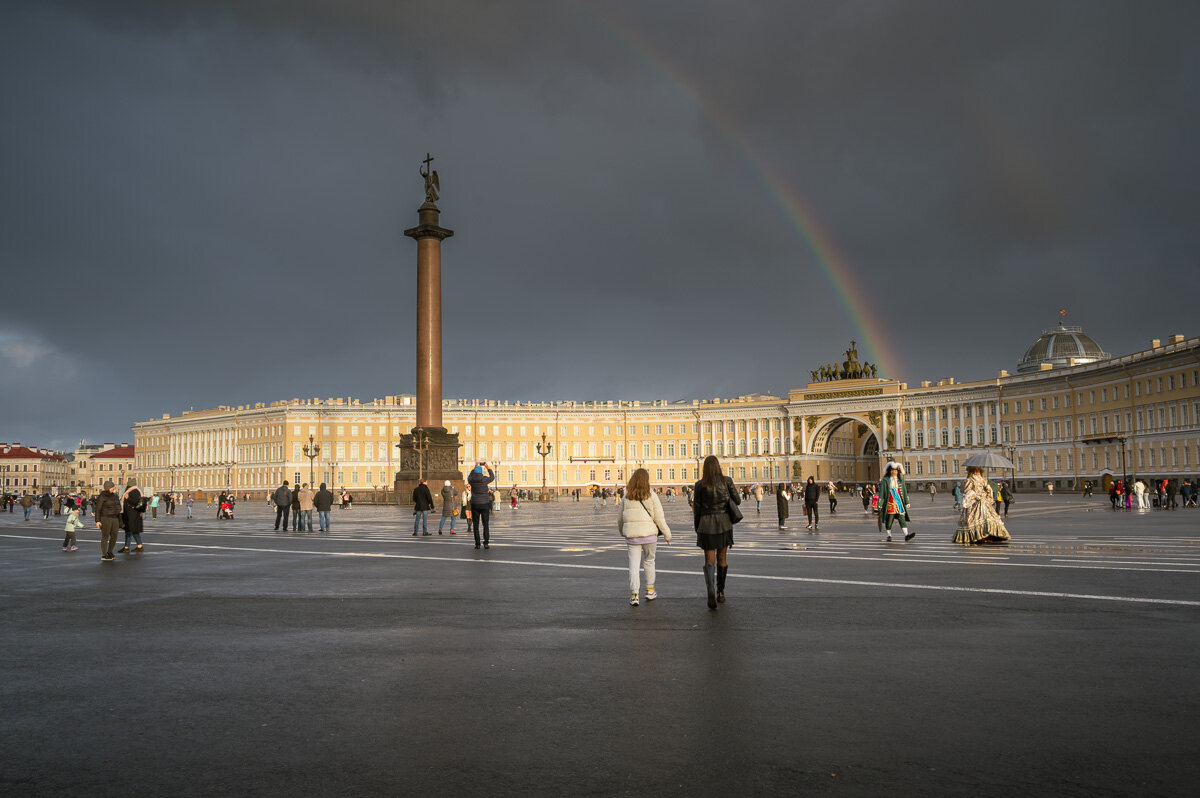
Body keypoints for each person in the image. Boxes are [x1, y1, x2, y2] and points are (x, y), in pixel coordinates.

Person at [692, 455, 740, 609]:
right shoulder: (727, 481)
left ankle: (710, 592)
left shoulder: (699, 485)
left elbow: (696, 510)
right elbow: (737, 501)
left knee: (709, 560)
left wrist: (697, 527)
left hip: (706, 525)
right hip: (724, 524)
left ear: (705, 468)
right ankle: (721, 592)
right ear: (718, 466)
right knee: (722, 558)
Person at [618, 468, 671, 606]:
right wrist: (667, 534)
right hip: (649, 535)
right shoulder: (652, 495)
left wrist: (622, 531)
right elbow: (660, 518)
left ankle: (634, 594)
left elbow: (620, 518)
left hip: (632, 536)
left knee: (633, 566)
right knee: (649, 562)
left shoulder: (626, 496)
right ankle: (650, 590)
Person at [954, 466, 1010, 545]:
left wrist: (988, 488)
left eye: (978, 471)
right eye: (975, 471)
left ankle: (989, 535)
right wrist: (974, 496)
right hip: (975, 502)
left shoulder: (984, 479)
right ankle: (978, 536)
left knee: (989, 518)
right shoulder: (970, 480)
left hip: (984, 501)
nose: (977, 472)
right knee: (977, 519)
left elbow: (988, 490)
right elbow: (967, 490)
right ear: (972, 472)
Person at [878, 462, 914, 542]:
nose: (894, 472)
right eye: (892, 471)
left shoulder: (900, 480)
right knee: (889, 520)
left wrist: (907, 501)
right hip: (889, 503)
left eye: (895, 471)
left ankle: (906, 535)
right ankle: (889, 535)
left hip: (899, 503)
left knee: (902, 519)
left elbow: (904, 492)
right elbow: (882, 493)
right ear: (889, 471)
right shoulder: (885, 480)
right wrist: (880, 503)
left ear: (898, 472)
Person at [468, 461, 496, 549]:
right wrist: (488, 468)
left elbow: (469, 476)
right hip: (484, 503)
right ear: (481, 472)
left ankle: (477, 544)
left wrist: (474, 467)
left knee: (476, 524)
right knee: (485, 524)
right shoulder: (484, 479)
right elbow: (492, 477)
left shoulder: (471, 480)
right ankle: (486, 542)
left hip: (475, 503)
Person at [94, 480, 122, 562]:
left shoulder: (115, 496)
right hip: (105, 518)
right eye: (112, 487)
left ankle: (110, 552)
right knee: (105, 536)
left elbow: (118, 506)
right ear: (108, 488)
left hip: (115, 518)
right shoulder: (102, 496)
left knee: (114, 536)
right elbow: (98, 510)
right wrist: (97, 521)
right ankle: (104, 554)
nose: (114, 488)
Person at [120, 478, 145, 553]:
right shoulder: (136, 491)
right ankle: (139, 546)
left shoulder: (133, 491)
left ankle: (127, 547)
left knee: (129, 531)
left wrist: (128, 498)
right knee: (133, 531)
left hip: (132, 515)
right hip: (133, 515)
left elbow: (135, 502)